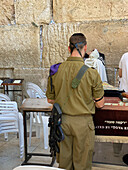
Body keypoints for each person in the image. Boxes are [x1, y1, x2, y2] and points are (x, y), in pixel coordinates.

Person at [46, 33, 104, 170]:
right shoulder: (91, 73)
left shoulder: (56, 70)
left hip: (62, 122)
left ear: (68, 48)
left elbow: (50, 99)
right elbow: (100, 104)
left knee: (64, 164)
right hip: (83, 124)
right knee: (82, 164)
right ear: (85, 48)